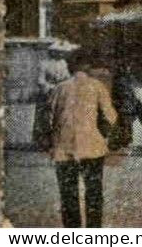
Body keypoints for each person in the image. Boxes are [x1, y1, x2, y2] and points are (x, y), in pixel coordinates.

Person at [48, 49, 117, 228]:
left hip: (64, 149)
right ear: (88, 67)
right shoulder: (97, 86)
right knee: (94, 193)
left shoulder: (59, 88)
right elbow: (110, 117)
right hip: (93, 147)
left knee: (68, 195)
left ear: (70, 67)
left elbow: (49, 118)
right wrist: (103, 135)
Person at [107, 66, 142, 153]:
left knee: (123, 126)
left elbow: (123, 95)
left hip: (123, 107)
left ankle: (119, 144)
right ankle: (121, 144)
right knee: (125, 126)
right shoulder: (123, 81)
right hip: (125, 107)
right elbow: (127, 95)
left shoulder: (120, 80)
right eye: (127, 68)